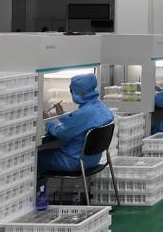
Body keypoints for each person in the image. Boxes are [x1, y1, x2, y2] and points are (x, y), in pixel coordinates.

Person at [37, 73, 114, 210]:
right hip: (93, 159)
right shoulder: (99, 107)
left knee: (38, 159)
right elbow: (78, 121)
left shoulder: (85, 113)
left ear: (78, 92)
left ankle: (40, 198)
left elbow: (62, 134)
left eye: (71, 90)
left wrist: (48, 121)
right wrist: (62, 115)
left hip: (74, 161)